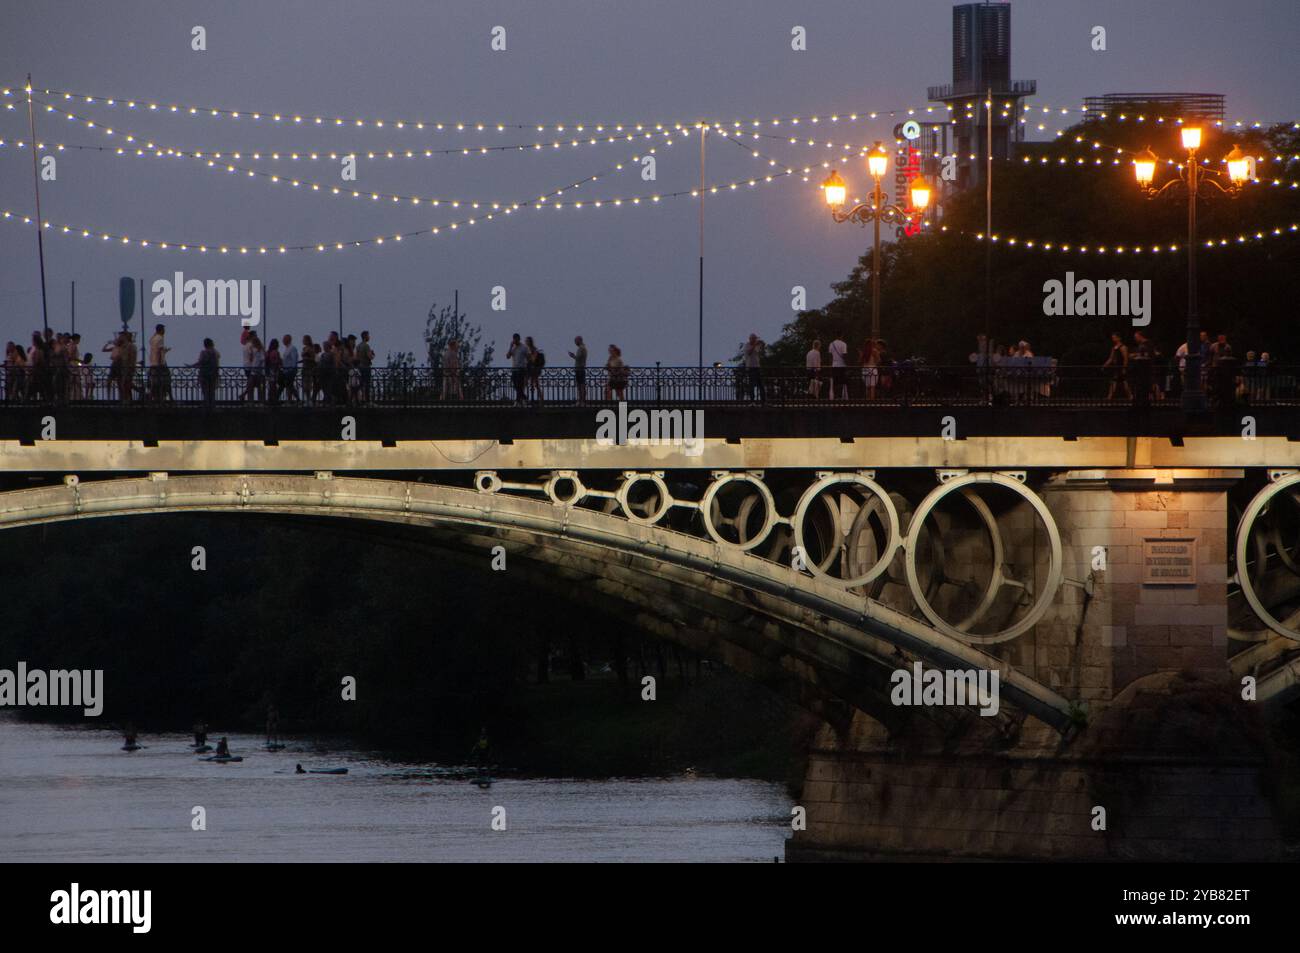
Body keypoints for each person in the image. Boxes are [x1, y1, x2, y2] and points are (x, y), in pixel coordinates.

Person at [192, 338, 220, 410]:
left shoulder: (204, 353)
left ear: (205, 345)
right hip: (213, 374)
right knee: (211, 391)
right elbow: (216, 364)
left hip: (204, 375)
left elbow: (200, 362)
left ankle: (206, 405)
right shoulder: (215, 353)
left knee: (205, 391)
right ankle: (212, 405)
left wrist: (191, 366)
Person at [1103, 332, 1131, 401]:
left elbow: (1125, 358)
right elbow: (1111, 358)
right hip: (1116, 367)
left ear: (1119, 338)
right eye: (1113, 338)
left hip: (1121, 367)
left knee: (1124, 382)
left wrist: (1124, 368)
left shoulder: (1123, 347)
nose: (1113, 339)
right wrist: (1105, 365)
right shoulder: (1114, 348)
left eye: (1114, 337)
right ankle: (1109, 397)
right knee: (1115, 382)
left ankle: (1130, 396)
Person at [148, 324, 172, 402]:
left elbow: (153, 346)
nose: (164, 331)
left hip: (153, 362)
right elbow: (160, 351)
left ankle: (152, 398)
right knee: (166, 380)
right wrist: (162, 362)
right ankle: (167, 398)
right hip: (159, 363)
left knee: (154, 382)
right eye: (163, 330)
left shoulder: (153, 338)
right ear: (161, 330)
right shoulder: (160, 338)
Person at [507, 333, 528, 405]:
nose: (515, 340)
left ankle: (517, 400)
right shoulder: (513, 348)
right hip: (514, 369)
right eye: (514, 339)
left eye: (516, 339)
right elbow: (508, 356)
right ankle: (523, 398)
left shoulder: (524, 347)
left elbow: (528, 357)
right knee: (516, 384)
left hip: (521, 369)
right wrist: (510, 347)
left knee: (519, 384)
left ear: (519, 339)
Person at [568, 336, 588, 405]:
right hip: (580, 368)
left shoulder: (581, 348)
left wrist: (572, 355)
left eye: (576, 341)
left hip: (580, 369)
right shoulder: (583, 348)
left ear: (579, 340)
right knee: (581, 385)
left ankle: (581, 401)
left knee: (580, 386)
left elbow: (578, 358)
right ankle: (581, 400)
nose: (575, 343)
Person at [280, 334, 299, 402]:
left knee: (289, 385)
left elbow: (294, 359)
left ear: (288, 340)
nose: (283, 341)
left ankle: (296, 399)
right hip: (286, 370)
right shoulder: (287, 349)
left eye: (284, 339)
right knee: (289, 385)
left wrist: (292, 369)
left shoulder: (292, 348)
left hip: (290, 370)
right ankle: (290, 399)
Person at [525, 336, 545, 404]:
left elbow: (533, 359)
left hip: (533, 369)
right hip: (529, 369)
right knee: (526, 383)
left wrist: (529, 357)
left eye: (527, 341)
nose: (526, 342)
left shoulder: (533, 349)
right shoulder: (527, 349)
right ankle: (524, 399)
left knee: (535, 384)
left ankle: (541, 399)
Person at [356, 330, 374, 402]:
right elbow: (370, 357)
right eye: (368, 335)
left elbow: (356, 357)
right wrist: (372, 354)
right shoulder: (366, 346)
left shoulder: (358, 346)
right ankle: (367, 400)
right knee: (367, 384)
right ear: (365, 336)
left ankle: (358, 399)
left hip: (359, 366)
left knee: (360, 384)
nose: (369, 337)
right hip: (366, 367)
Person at [265, 338, 284, 406]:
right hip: (274, 370)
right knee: (274, 386)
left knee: (271, 385)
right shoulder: (275, 352)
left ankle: (270, 399)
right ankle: (274, 400)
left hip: (269, 370)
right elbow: (277, 362)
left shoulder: (268, 352)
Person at [828, 335, 847, 400]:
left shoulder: (831, 344)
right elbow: (844, 355)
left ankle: (835, 396)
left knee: (835, 382)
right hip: (841, 365)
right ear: (841, 336)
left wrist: (831, 365)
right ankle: (840, 396)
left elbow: (830, 356)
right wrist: (846, 363)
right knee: (841, 381)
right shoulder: (843, 344)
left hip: (834, 365)